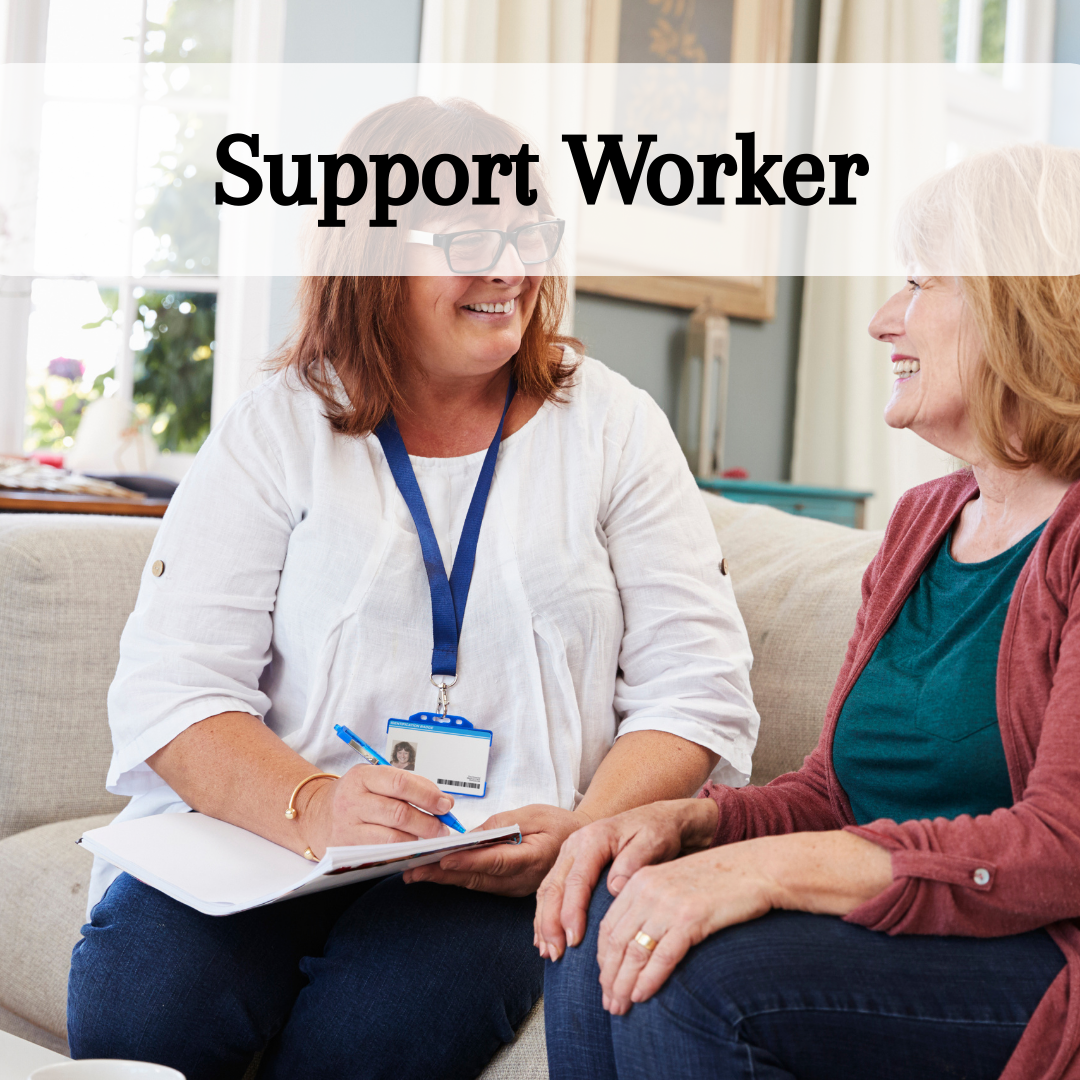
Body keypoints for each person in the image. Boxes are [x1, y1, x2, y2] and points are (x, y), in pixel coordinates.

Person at [66, 98, 758, 1080]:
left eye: (528, 233)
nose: (510, 269)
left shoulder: (614, 427)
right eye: (471, 239)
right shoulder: (278, 429)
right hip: (273, 836)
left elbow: (697, 690)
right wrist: (315, 805)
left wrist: (581, 832)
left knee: (367, 1041)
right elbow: (174, 691)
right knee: (138, 1004)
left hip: (497, 867)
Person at [538, 143, 1080, 1080]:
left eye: (920, 283)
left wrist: (763, 872)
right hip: (912, 937)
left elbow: (1058, 850)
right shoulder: (924, 522)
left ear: (1020, 305)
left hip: (1043, 958)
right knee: (601, 921)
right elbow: (835, 795)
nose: (882, 319)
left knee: (698, 986)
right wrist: (691, 827)